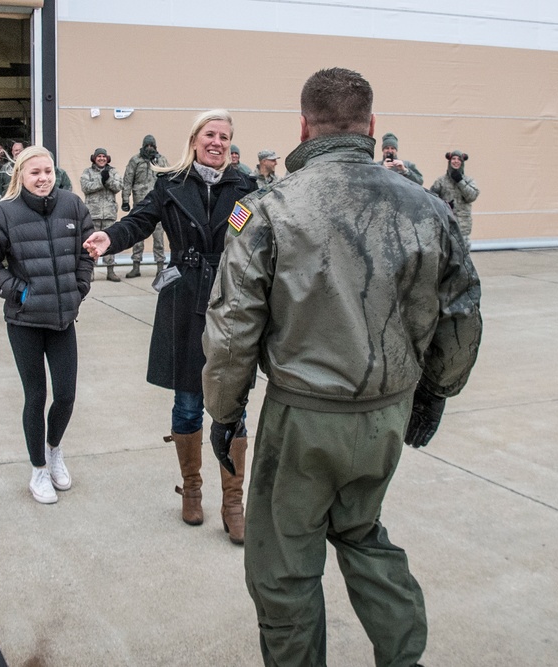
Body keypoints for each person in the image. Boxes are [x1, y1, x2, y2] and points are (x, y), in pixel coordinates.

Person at [201, 67, 483, 666]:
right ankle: (405, 657)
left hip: (303, 420)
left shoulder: (265, 210)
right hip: (386, 415)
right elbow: (461, 312)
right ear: (372, 126)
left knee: (283, 568)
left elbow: (232, 330)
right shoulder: (429, 208)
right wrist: (435, 393)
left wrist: (224, 414)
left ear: (303, 125)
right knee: (363, 534)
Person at [83, 109, 257, 543]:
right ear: (195, 138)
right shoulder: (170, 183)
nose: (216, 142)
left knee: (232, 403)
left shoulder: (247, 187)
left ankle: (233, 500)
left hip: (231, 301)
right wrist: (111, 239)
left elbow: (261, 240)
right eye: (209, 134)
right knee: (187, 401)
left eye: (224, 136)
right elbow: (139, 220)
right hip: (183, 300)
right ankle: (193, 490)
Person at [0, 146, 94, 505]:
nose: (43, 178)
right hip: (25, 321)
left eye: (48, 171)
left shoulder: (73, 206)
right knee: (36, 396)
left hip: (62, 321)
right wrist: (20, 293)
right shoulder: (4, 213)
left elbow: (86, 252)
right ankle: (38, 469)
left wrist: (79, 287)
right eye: (34, 173)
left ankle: (54, 449)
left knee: (67, 395)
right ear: (21, 177)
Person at [122, 134, 169, 278]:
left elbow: (169, 179)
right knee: (138, 237)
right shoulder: (135, 160)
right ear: (143, 146)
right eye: (147, 145)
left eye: (152, 145)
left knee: (159, 238)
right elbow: (128, 180)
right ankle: (136, 266)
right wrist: (125, 200)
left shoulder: (161, 160)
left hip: (159, 205)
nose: (150, 148)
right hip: (141, 205)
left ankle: (160, 267)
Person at [80, 148, 123, 282]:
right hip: (93, 213)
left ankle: (110, 271)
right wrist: (101, 181)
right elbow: (85, 187)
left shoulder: (113, 172)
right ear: (94, 158)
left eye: (104, 156)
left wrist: (108, 180)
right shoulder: (87, 172)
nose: (101, 159)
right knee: (92, 244)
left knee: (110, 242)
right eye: (99, 156)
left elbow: (118, 186)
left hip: (109, 213)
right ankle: (90, 272)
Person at [430, 149, 480, 248]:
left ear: (462, 162)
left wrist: (460, 181)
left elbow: (472, 196)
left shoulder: (468, 180)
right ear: (449, 161)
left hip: (462, 225)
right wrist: (444, 204)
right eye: (453, 159)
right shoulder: (441, 181)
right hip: (445, 222)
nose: (456, 161)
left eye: (458, 159)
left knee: (462, 254)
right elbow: (431, 198)